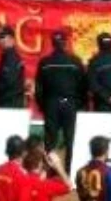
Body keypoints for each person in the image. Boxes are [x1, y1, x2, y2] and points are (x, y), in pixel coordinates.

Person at [35, 32, 87, 166]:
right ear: (65, 43)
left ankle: (49, 170)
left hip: (51, 104)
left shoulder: (45, 62)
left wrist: (43, 106)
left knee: (50, 141)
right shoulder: (75, 61)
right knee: (71, 140)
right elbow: (83, 85)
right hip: (70, 104)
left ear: (53, 44)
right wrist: (80, 105)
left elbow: (39, 88)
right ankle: (69, 169)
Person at [0, 26, 27, 109]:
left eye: (2, 37)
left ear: (11, 38)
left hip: (10, 103)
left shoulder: (11, 57)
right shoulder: (6, 55)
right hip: (9, 102)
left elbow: (9, 80)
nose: (0, 41)